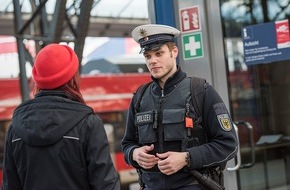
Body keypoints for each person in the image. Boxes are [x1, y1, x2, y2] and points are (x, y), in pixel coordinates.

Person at [121, 24, 238, 190]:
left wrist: (187, 158)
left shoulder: (201, 91)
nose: (152, 60)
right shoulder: (140, 97)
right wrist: (133, 154)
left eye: (158, 53)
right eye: (147, 56)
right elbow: (127, 144)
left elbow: (228, 145)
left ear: (174, 52)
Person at [2, 44, 120, 190]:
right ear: (72, 78)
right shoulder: (88, 124)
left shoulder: (15, 128)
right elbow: (105, 184)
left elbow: (10, 186)